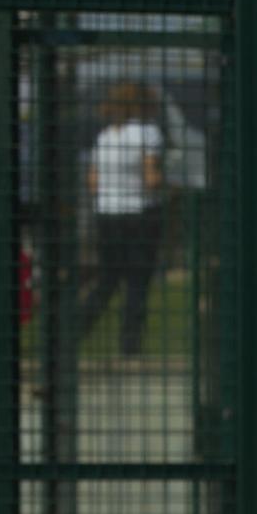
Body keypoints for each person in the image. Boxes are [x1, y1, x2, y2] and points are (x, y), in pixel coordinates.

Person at [81, 82, 165, 357]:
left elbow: (92, 182)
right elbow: (151, 178)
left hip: (107, 214)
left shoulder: (105, 135)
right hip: (139, 214)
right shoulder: (148, 132)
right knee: (137, 281)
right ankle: (130, 345)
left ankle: (75, 330)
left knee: (108, 279)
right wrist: (170, 183)